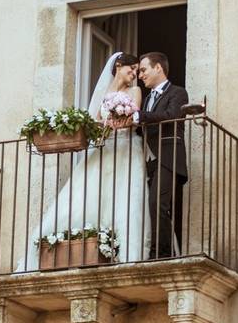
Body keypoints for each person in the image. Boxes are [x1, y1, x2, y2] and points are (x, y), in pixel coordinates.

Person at [16, 52, 150, 271]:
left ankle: (127, 257)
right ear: (118, 65)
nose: (134, 74)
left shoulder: (135, 91)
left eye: (136, 70)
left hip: (127, 147)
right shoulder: (105, 91)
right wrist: (104, 124)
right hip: (105, 146)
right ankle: (77, 246)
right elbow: (96, 119)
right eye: (131, 68)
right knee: (86, 195)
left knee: (125, 198)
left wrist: (119, 119)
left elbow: (133, 116)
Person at [138, 52, 188, 259]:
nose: (140, 75)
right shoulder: (148, 98)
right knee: (151, 204)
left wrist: (140, 116)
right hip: (148, 158)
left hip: (167, 156)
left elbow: (172, 116)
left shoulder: (177, 92)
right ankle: (159, 249)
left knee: (157, 203)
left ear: (158, 67)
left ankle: (160, 253)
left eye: (143, 70)